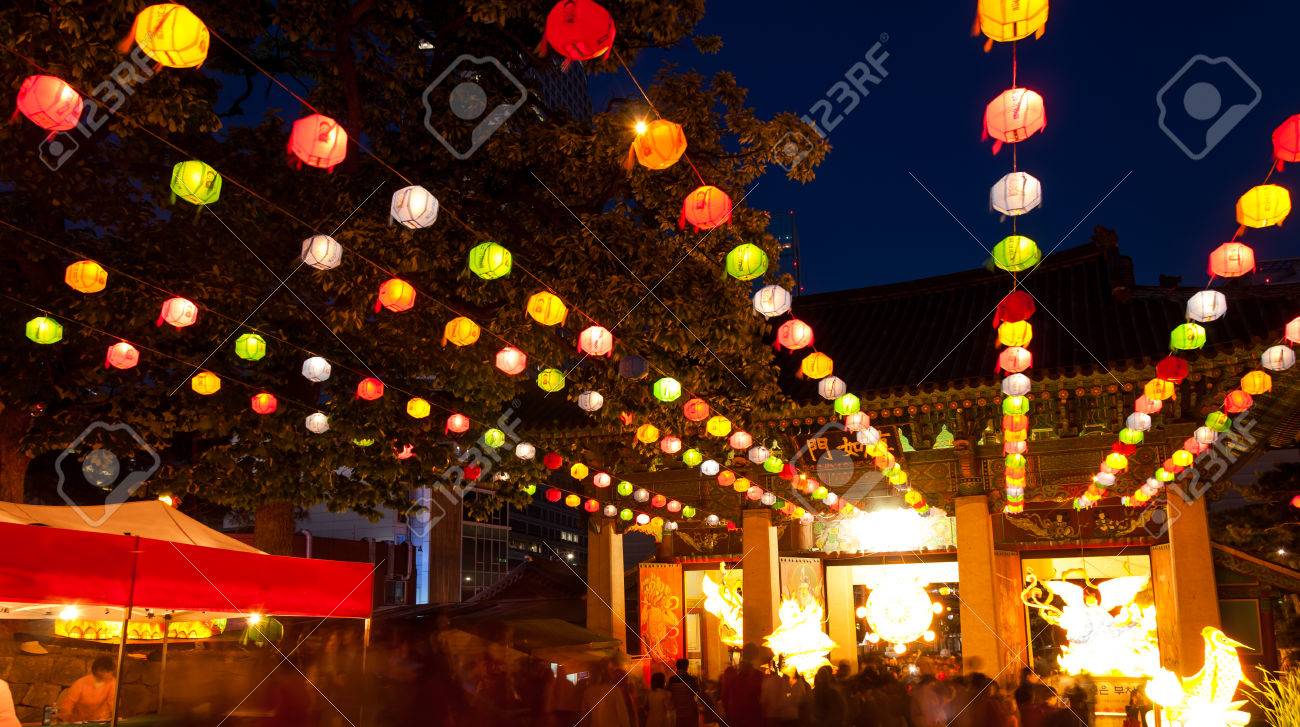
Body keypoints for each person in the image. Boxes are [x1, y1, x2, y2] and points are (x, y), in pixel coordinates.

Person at [58, 656, 117, 722]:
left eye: (111, 671)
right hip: (79, 722)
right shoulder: (81, 683)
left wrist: (116, 719)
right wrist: (63, 720)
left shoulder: (112, 683)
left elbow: (113, 703)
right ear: (100, 671)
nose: (111, 674)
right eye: (109, 672)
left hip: (101, 722)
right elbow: (68, 704)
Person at [719, 644, 766, 727]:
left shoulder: (730, 672)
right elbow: (763, 699)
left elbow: (724, 696)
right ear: (756, 656)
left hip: (734, 715)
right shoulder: (759, 676)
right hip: (752, 717)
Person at [579, 660, 631, 727]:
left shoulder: (588, 692)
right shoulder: (614, 690)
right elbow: (622, 715)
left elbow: (584, 717)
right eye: (611, 670)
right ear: (607, 673)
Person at [666, 659, 702, 727]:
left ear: (677, 667)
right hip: (689, 710)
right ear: (687, 667)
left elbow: (668, 695)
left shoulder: (672, 680)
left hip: (676, 711)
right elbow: (697, 691)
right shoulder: (691, 679)